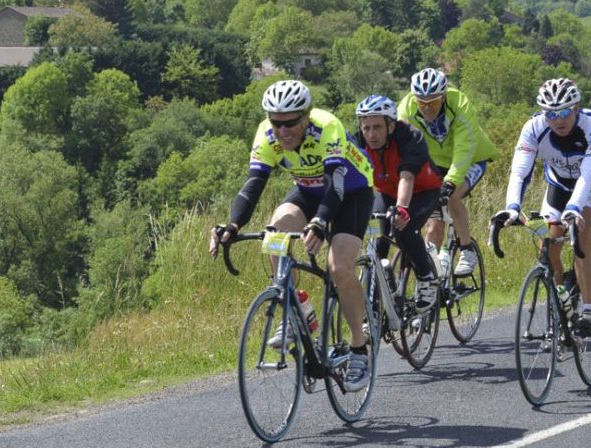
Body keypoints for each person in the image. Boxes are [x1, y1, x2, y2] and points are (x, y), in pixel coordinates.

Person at [210, 79, 376, 391]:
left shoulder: (327, 127)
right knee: (276, 232)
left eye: (290, 124)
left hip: (350, 192)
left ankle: (358, 348)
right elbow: (254, 183)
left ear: (306, 117)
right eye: (277, 123)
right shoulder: (267, 133)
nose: (283, 132)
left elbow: (336, 187)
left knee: (340, 267)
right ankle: (297, 308)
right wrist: (233, 225)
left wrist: (319, 222)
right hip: (307, 190)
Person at [493, 77, 591, 337]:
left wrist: (574, 209)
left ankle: (589, 309)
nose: (558, 120)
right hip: (559, 186)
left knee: (581, 232)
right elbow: (520, 171)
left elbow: (588, 174)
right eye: (550, 114)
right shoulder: (534, 128)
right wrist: (512, 207)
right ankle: (562, 305)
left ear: (576, 108)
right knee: (548, 244)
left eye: (564, 112)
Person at [397, 68, 499, 278]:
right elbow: (403, 148)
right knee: (433, 226)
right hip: (434, 163)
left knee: (451, 196)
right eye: (422, 103)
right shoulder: (406, 108)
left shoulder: (459, 103)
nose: (427, 108)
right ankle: (429, 276)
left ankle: (466, 248)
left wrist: (451, 181)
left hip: (470, 159)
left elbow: (464, 147)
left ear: (443, 97)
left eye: (433, 102)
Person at [354, 94, 443, 313]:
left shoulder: (410, 137)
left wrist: (402, 209)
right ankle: (375, 308)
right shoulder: (357, 142)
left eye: (377, 127)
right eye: (366, 128)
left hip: (423, 191)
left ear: (391, 126)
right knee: (377, 241)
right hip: (386, 193)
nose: (371, 135)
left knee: (404, 228)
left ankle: (426, 276)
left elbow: (407, 177)